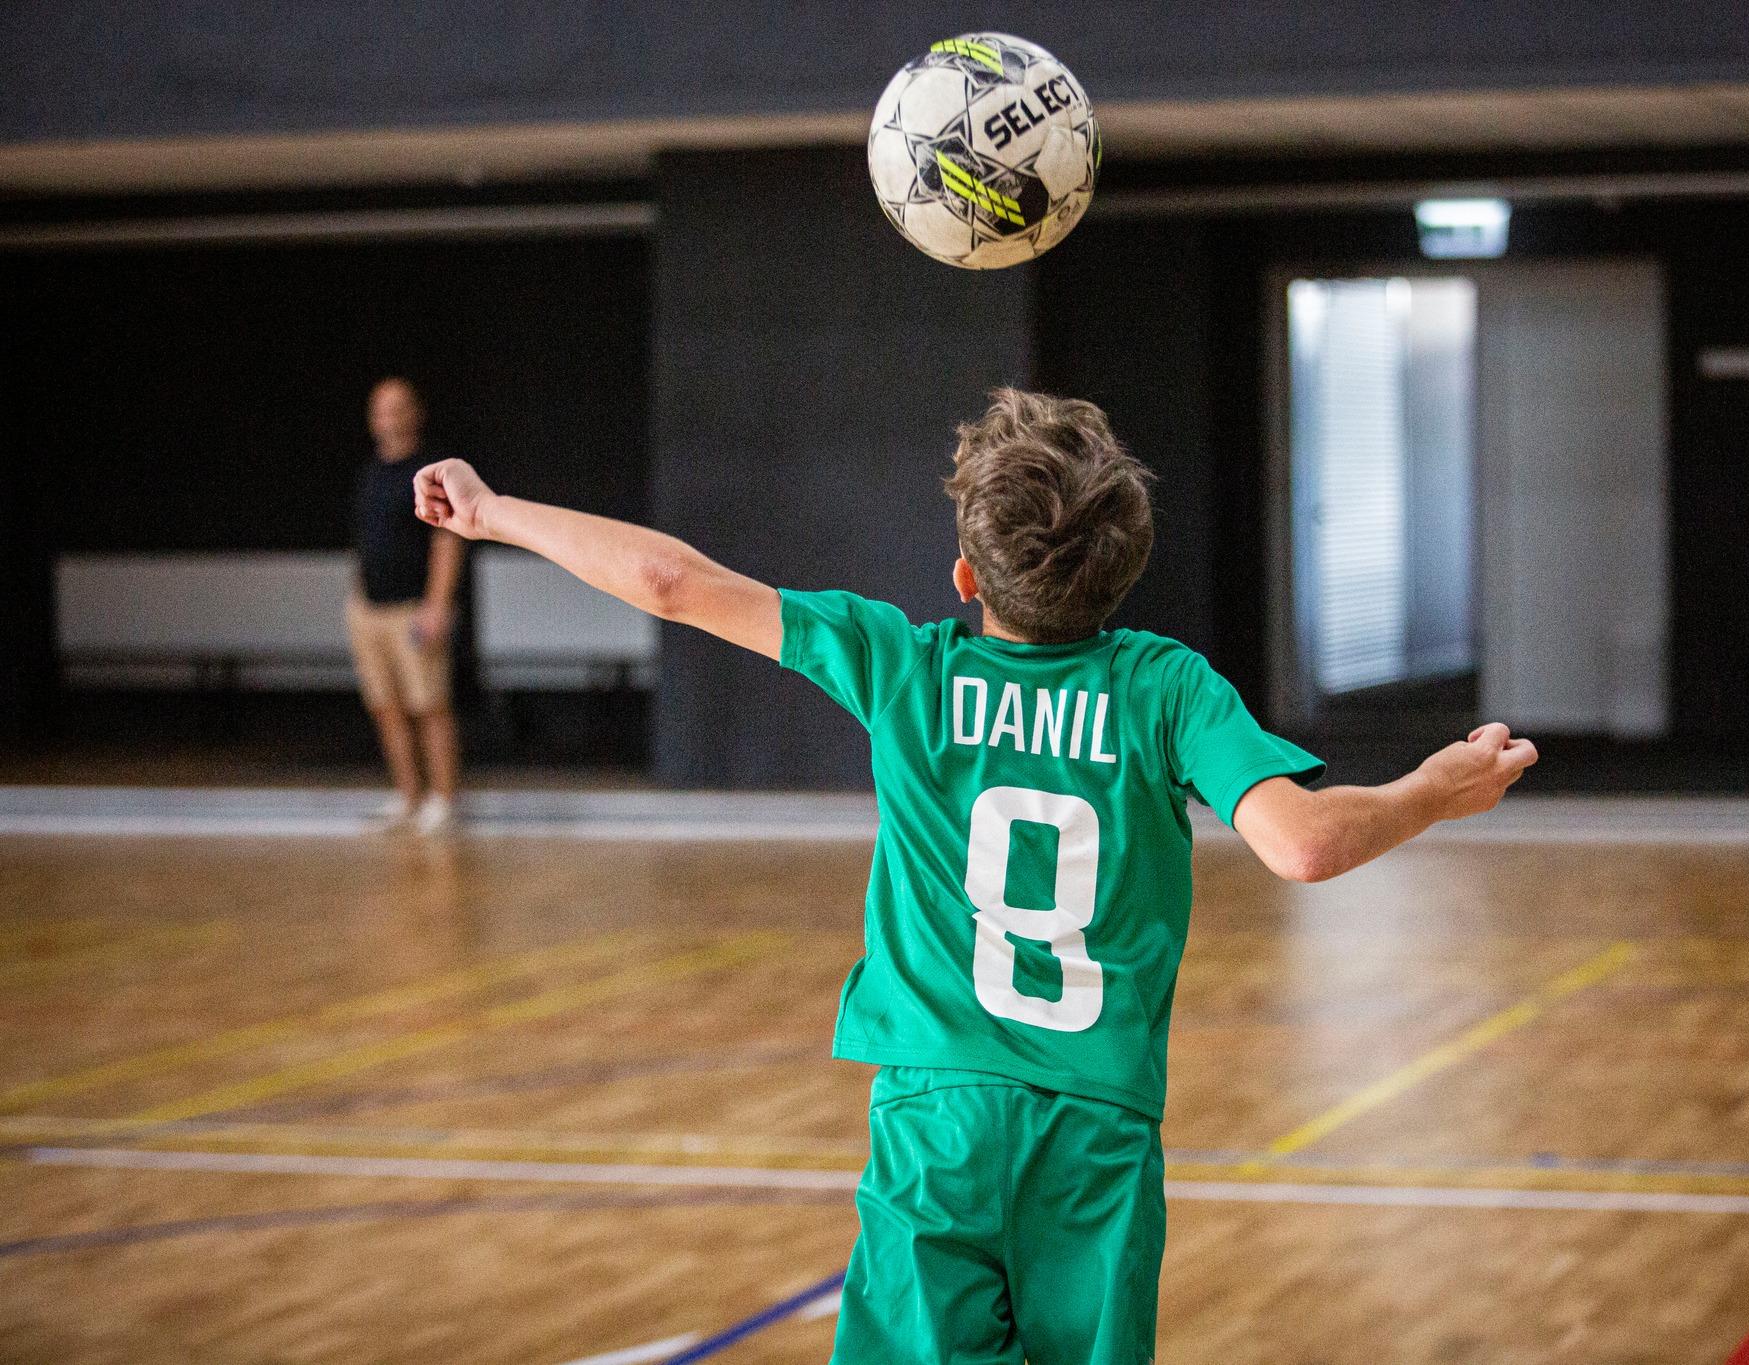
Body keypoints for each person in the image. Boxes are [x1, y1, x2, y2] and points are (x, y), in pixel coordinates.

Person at [412, 388, 1537, 1364]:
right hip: (1093, 1136)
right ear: (1124, 570)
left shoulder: (902, 665)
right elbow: (1303, 844)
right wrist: (1431, 789)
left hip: (934, 1122)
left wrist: (493, 512)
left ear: (965, 574)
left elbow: (668, 580)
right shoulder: (1165, 686)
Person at [351, 376, 464, 834]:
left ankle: (444, 798)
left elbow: (447, 540)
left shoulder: (428, 474)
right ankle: (408, 795)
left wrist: (437, 604)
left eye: (397, 408)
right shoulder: (370, 474)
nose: (388, 418)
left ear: (415, 414)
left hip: (413, 609)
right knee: (386, 705)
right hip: (369, 608)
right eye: (380, 409)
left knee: (428, 703)